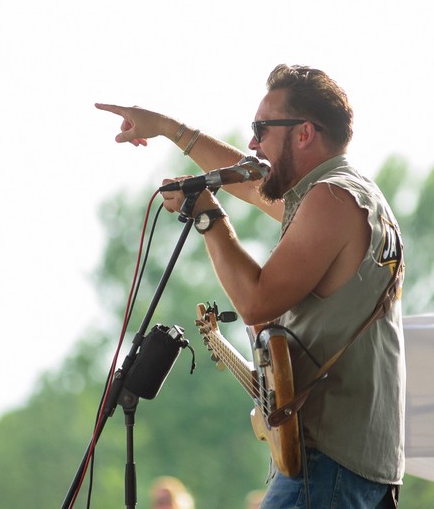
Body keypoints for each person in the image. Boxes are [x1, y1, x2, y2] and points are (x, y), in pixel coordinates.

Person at [96, 64, 405, 509]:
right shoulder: (346, 195)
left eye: (261, 129)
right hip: (345, 463)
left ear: (304, 133)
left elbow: (257, 303)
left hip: (328, 463)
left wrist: (207, 215)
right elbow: (249, 185)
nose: (253, 143)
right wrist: (167, 128)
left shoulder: (333, 197)